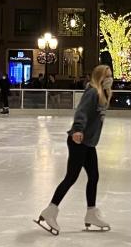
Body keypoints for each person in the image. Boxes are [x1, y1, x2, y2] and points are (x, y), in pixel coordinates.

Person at [36, 65, 112, 235]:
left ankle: (91, 213)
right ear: (99, 76)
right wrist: (78, 129)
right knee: (71, 177)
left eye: (111, 75)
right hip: (79, 140)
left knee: (94, 176)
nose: (110, 78)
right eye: (107, 75)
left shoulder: (103, 94)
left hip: (88, 143)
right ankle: (50, 211)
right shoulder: (92, 92)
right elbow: (81, 112)